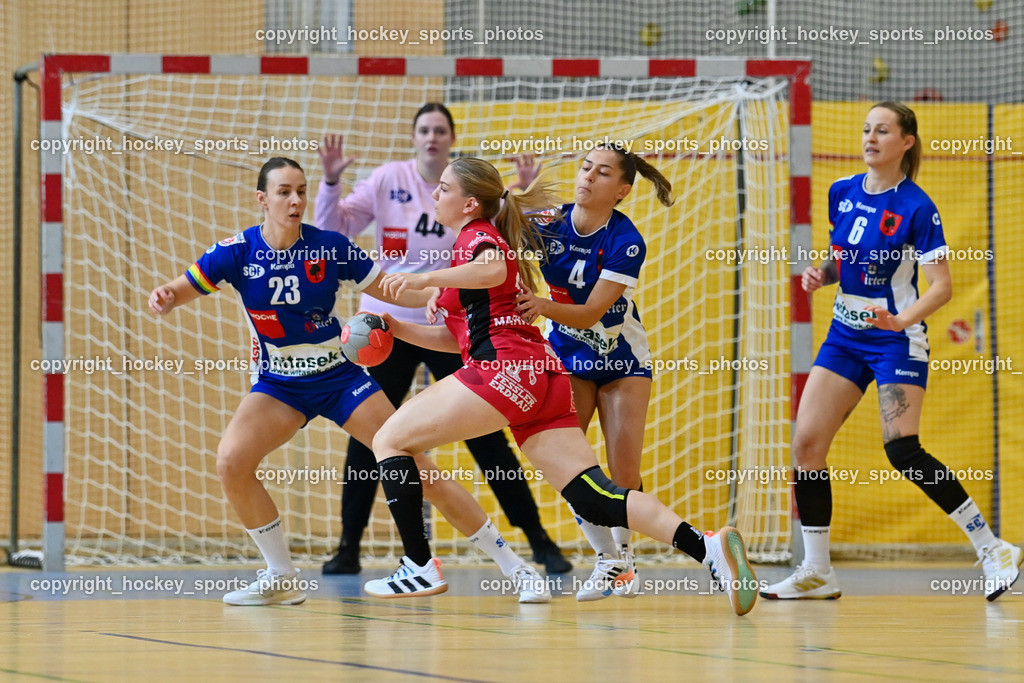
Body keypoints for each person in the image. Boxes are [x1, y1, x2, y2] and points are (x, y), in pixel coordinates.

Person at [361, 157, 759, 616]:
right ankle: (708, 548)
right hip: (543, 376)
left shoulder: (478, 237)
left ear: (469, 202)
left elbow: (491, 270)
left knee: (389, 438)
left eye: (443, 188)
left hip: (505, 371)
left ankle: (418, 563)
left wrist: (427, 278)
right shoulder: (465, 248)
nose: (434, 194)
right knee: (595, 495)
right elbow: (456, 338)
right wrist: (394, 327)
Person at [148, 157, 552, 606]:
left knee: (420, 470)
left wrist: (436, 291)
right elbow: (184, 286)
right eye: (284, 192)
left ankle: (516, 569)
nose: (296, 199)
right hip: (279, 384)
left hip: (340, 378)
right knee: (231, 462)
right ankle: (281, 575)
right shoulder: (236, 251)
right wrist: (166, 296)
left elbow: (391, 287)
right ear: (262, 200)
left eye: (301, 189)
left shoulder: (331, 246)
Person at [761, 102, 1022, 601]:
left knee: (902, 449)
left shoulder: (917, 207)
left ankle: (992, 548)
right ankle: (817, 571)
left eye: (883, 130)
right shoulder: (842, 192)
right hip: (844, 333)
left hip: (896, 337)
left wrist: (902, 320)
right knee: (807, 445)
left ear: (906, 141)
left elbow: (941, 286)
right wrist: (823, 274)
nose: (870, 137)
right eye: (866, 129)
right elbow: (844, 261)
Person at [315, 103, 570, 575]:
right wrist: (330, 184)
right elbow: (333, 231)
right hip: (386, 328)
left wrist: (523, 196)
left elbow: (500, 245)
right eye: (423, 129)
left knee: (489, 439)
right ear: (413, 138)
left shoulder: (469, 209)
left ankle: (538, 541)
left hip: (457, 327)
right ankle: (349, 546)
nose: (431, 137)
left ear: (451, 139)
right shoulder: (390, 179)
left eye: (439, 130)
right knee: (371, 435)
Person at [513, 145, 672, 601]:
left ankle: (625, 564)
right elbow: (497, 243)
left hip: (621, 357)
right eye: (585, 168)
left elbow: (590, 312)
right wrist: (515, 199)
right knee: (570, 465)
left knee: (623, 470)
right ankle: (609, 562)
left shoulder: (626, 241)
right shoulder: (548, 220)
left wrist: (540, 304)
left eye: (602, 173)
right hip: (566, 354)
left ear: (620, 191)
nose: (587, 177)